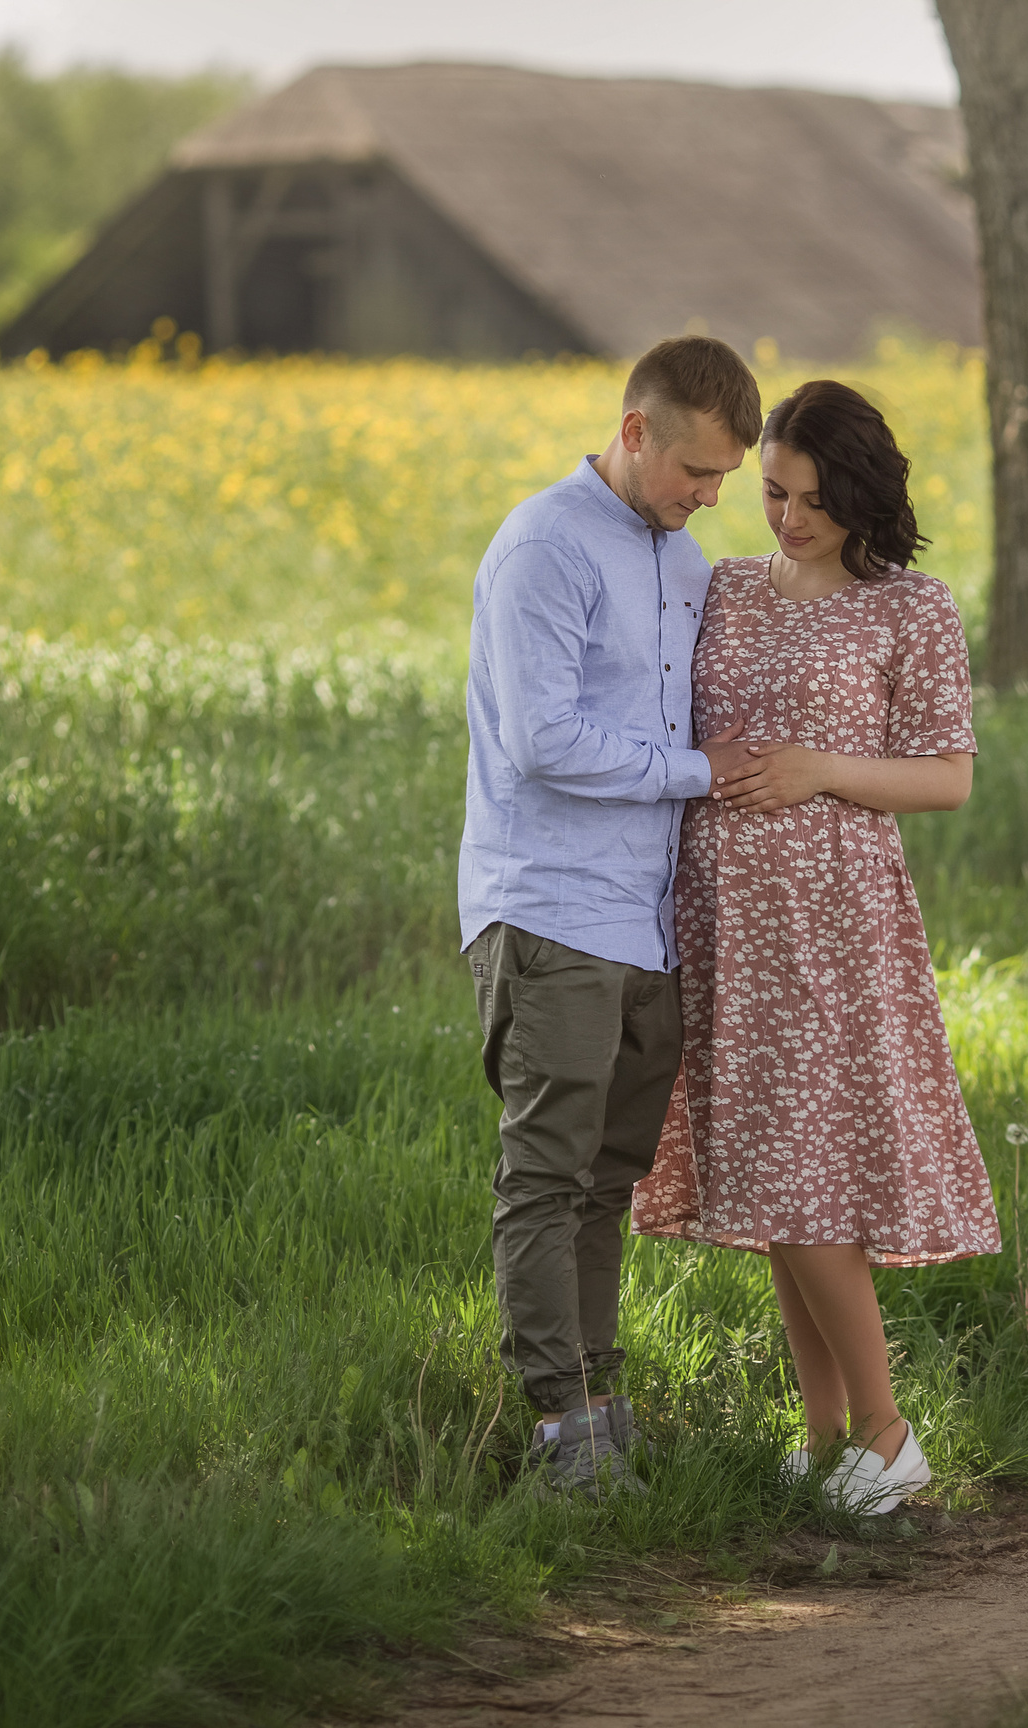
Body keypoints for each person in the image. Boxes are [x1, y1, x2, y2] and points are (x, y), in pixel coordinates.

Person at [632, 378, 998, 1516]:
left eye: (809, 499)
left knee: (809, 1189)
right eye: (774, 493)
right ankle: (831, 1439)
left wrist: (819, 770)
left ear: (859, 493)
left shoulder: (909, 609)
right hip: (722, 925)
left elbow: (948, 779)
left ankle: (888, 1441)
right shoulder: (723, 589)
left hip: (834, 928)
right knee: (770, 1185)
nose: (785, 518)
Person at [459, 335, 764, 1497]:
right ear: (634, 432)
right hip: (547, 910)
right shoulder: (543, 546)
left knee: (607, 1181)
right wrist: (700, 769)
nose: (707, 497)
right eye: (695, 472)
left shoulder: (682, 562)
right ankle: (556, 1436)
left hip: (645, 922)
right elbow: (543, 742)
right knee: (545, 1174)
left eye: (725, 480)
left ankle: (601, 1409)